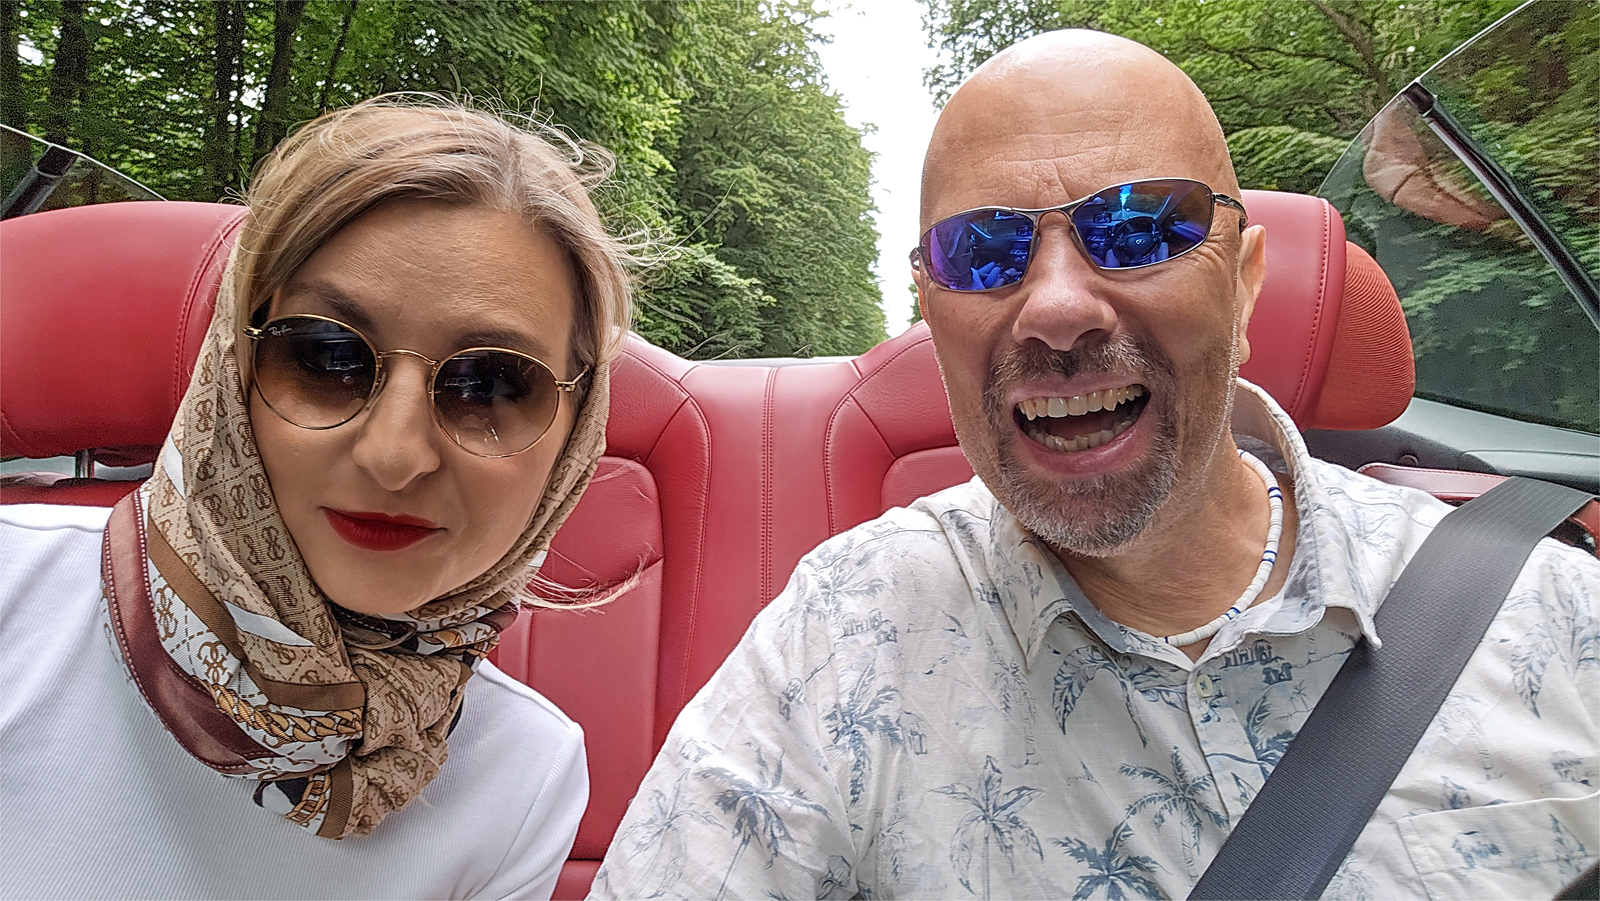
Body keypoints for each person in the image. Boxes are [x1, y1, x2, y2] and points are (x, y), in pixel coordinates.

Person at [588, 30, 1599, 900]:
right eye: (982, 253)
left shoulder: (1551, 617)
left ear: (1246, 285)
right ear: (932, 315)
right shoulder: (842, 636)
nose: (1059, 308)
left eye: (1139, 227)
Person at [0, 97, 634, 899]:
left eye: (493, 383)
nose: (395, 456)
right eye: (326, 355)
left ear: (577, 436)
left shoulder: (526, 780)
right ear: (233, 369)